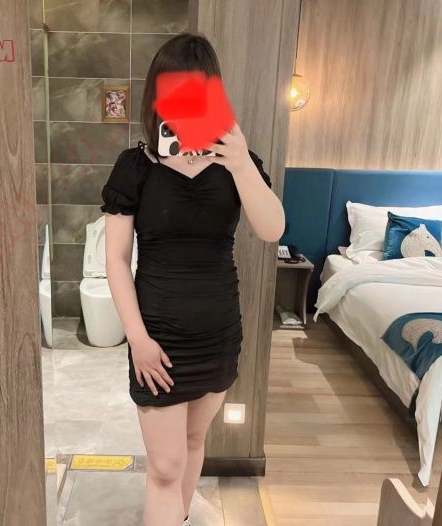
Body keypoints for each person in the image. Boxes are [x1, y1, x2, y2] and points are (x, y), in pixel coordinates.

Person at [100, 32, 285, 526]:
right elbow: (116, 259)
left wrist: (240, 162)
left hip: (218, 335)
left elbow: (272, 230)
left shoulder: (237, 165)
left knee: (193, 441)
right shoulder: (135, 167)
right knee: (165, 467)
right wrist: (137, 340)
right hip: (156, 339)